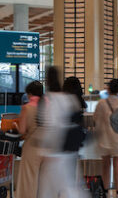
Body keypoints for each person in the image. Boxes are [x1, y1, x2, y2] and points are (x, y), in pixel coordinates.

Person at [38, 69, 87, 198]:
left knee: (60, 187)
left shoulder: (50, 99)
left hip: (57, 149)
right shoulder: (68, 98)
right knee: (69, 184)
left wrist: (47, 148)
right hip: (71, 147)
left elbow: (52, 125)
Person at [95, 79, 118, 197]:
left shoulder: (101, 103)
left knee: (106, 165)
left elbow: (96, 120)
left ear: (108, 89)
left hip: (105, 139)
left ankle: (105, 191)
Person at [14, 81, 44, 198]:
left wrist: (16, 126)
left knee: (29, 179)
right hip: (47, 147)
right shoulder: (48, 106)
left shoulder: (27, 108)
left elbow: (22, 131)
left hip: (32, 147)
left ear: (30, 94)